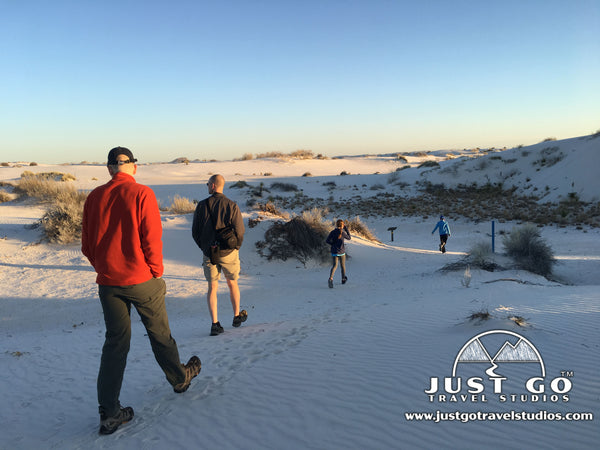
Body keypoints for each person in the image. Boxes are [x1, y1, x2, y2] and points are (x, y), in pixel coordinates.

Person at [82, 147, 201, 435]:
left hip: (109, 283)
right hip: (140, 278)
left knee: (115, 345)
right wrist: (155, 270)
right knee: (159, 334)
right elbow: (151, 237)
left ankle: (109, 413)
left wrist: (104, 266)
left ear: (110, 168)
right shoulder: (142, 194)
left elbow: (86, 245)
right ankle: (179, 378)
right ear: (133, 167)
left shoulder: (94, 196)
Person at [192, 174, 246, 336]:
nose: (207, 186)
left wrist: (205, 248)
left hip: (210, 253)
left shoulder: (201, 206)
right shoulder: (231, 205)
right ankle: (236, 316)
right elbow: (240, 231)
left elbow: (195, 232)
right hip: (229, 252)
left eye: (208, 183)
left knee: (212, 287)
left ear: (213, 186)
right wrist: (236, 247)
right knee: (233, 283)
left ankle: (215, 324)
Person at [326, 219, 351, 288]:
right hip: (341, 252)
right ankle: (343, 279)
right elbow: (349, 238)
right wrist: (346, 229)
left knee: (334, 266)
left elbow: (327, 240)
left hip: (334, 251)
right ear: (342, 225)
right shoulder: (342, 233)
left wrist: (332, 244)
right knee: (343, 266)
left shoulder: (332, 232)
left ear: (336, 225)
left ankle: (330, 278)